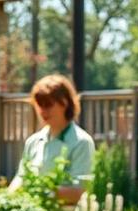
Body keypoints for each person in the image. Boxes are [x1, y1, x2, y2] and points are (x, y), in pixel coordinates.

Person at [9, 74, 95, 204]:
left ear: (65, 103)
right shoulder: (33, 142)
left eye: (48, 104)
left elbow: (81, 191)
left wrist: (41, 192)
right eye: (39, 104)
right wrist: (7, 198)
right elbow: (20, 178)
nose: (43, 111)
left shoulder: (82, 142)